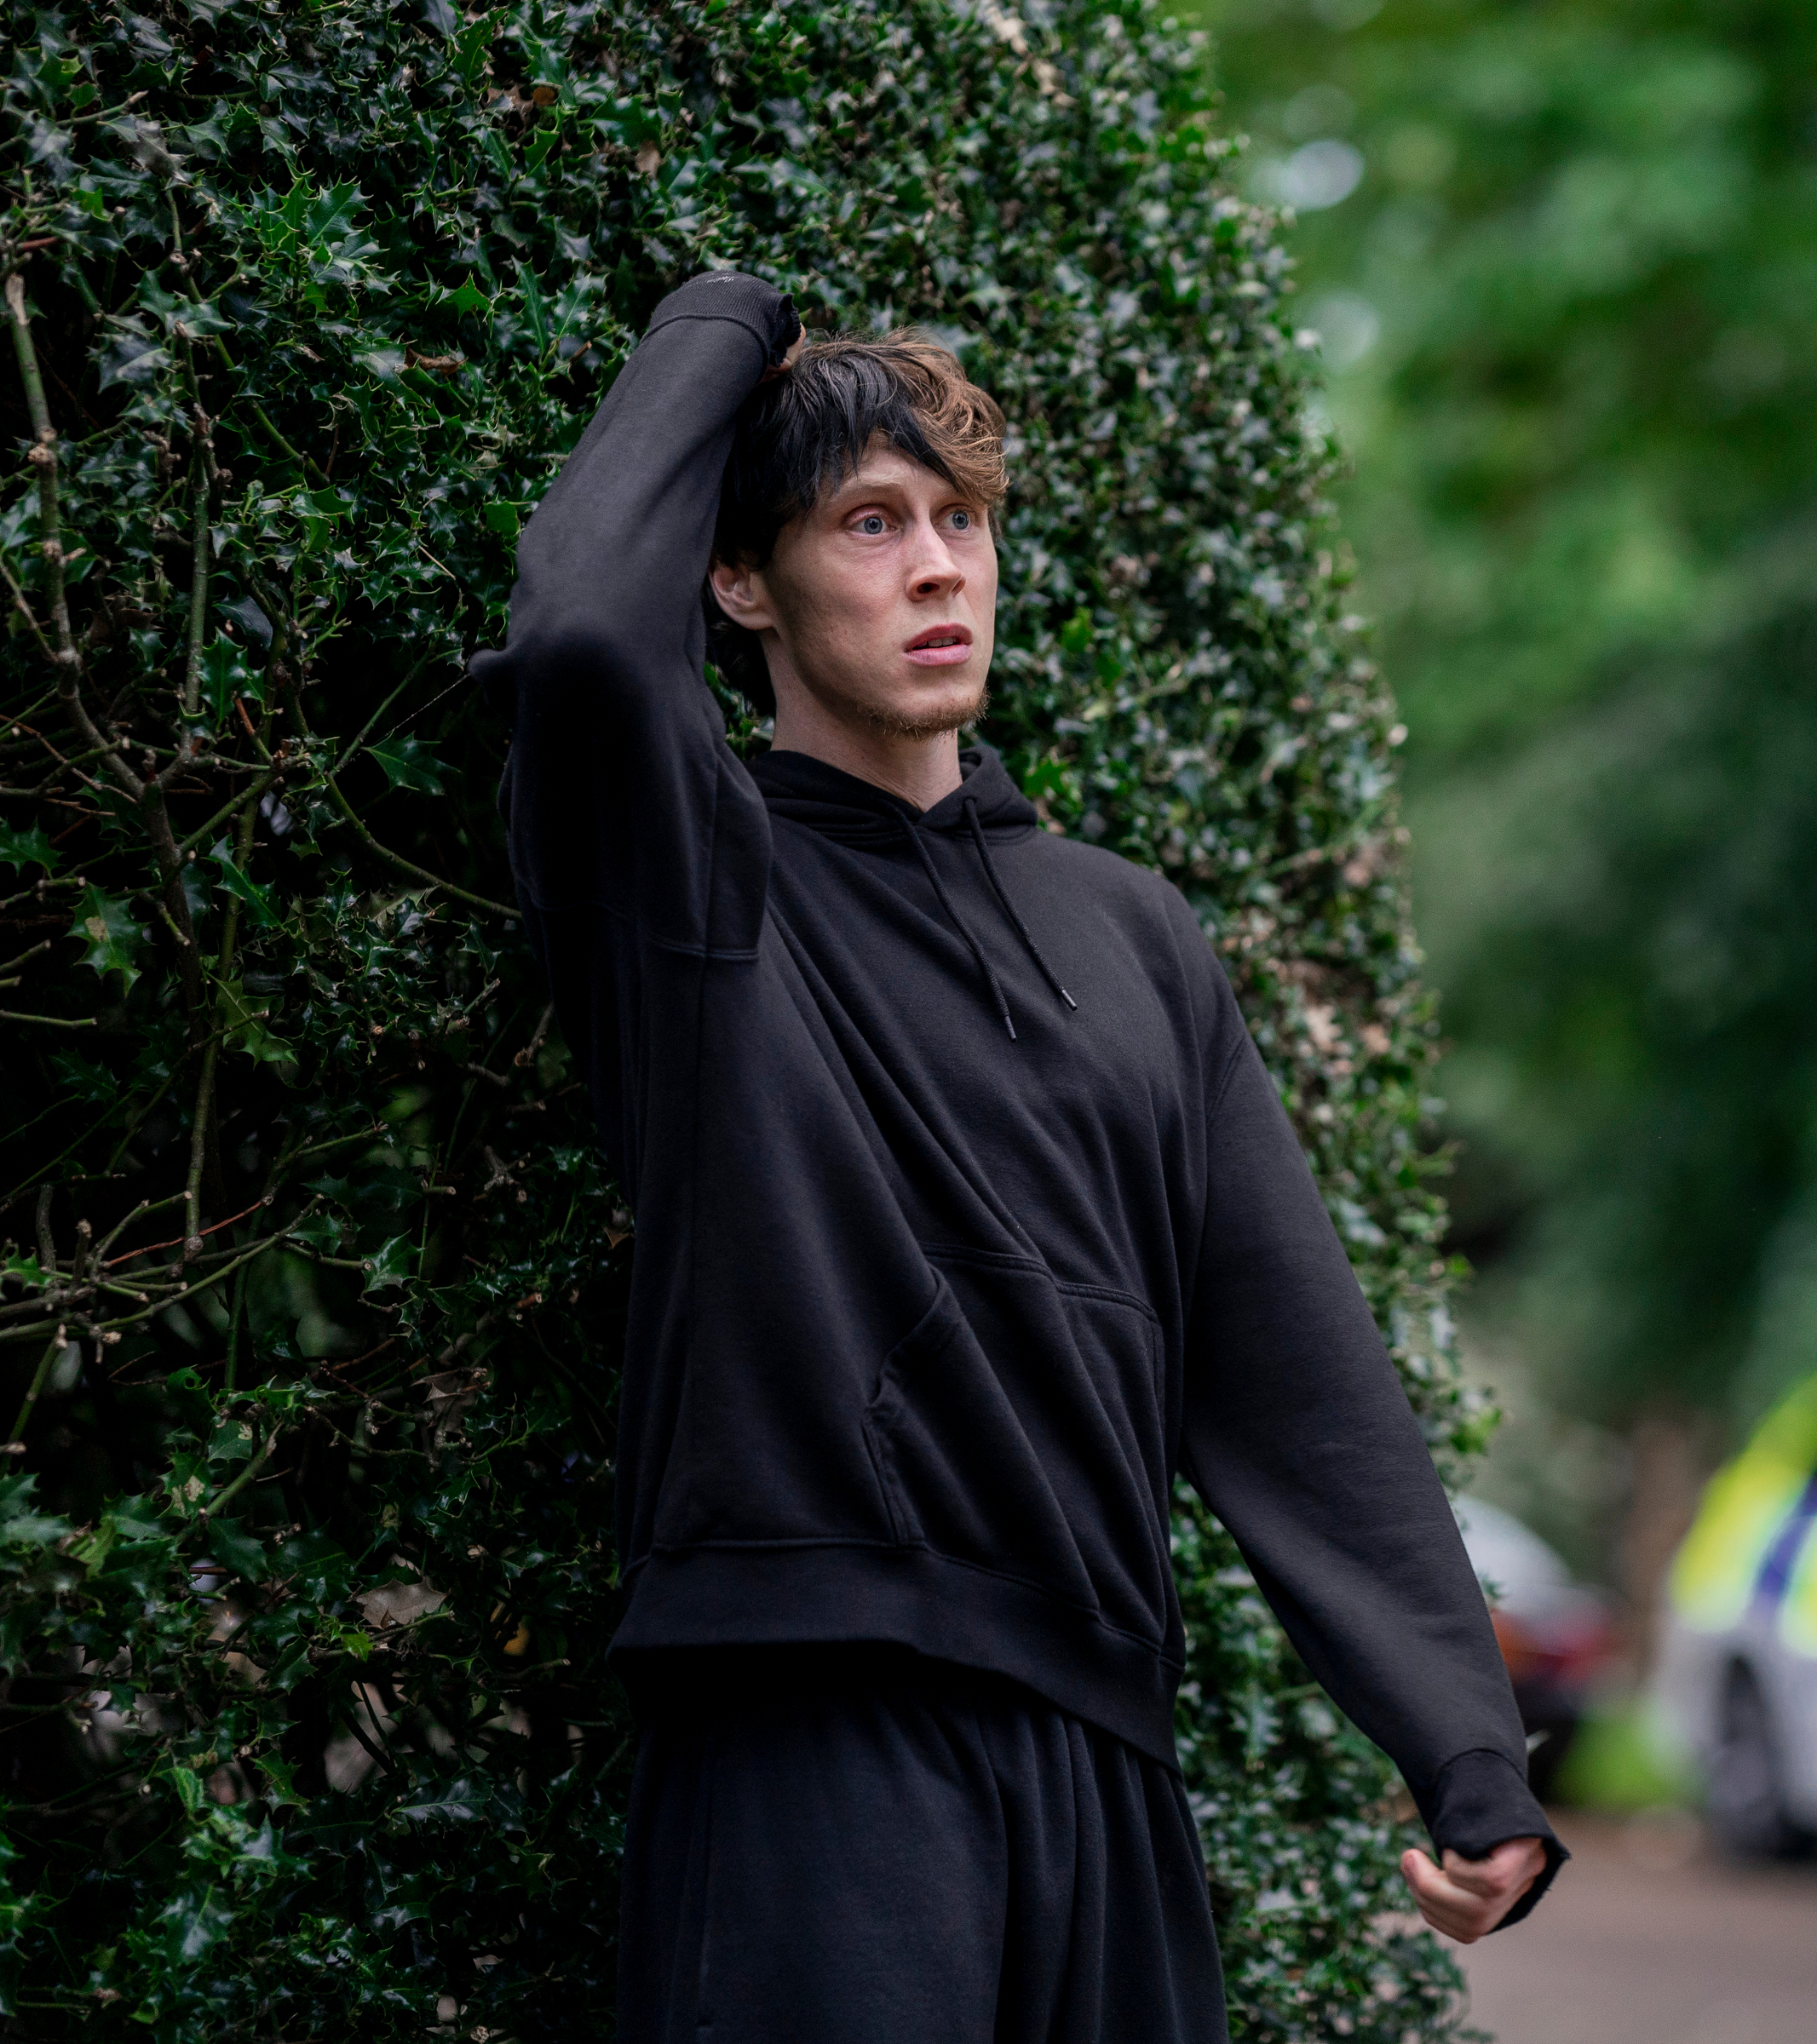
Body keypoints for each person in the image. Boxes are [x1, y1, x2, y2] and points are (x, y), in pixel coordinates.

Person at [479, 269, 1559, 2044]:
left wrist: (1465, 1746)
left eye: (963, 519)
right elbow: (588, 637)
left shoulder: (1133, 936)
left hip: (1102, 1746)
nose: (938, 567)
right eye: (868, 521)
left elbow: (1292, 1369)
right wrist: (731, 318)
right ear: (741, 580)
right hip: (817, 1739)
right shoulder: (699, 884)